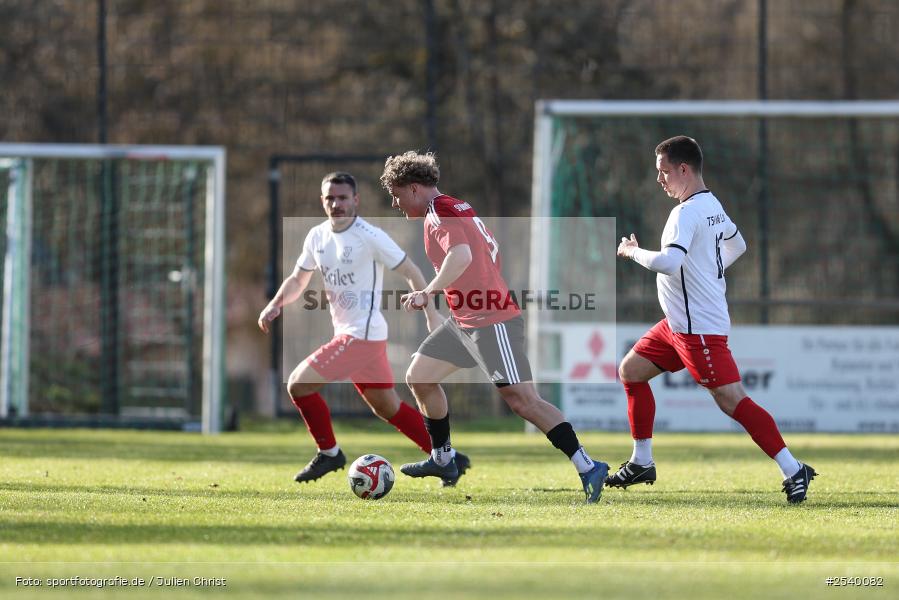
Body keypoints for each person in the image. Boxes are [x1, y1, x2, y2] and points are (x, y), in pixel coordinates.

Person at [380, 151, 610, 503]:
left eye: (396, 195)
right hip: (467, 320)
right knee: (419, 377)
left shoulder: (440, 211)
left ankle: (587, 465)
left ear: (413, 188)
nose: (396, 204)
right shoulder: (455, 207)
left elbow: (463, 256)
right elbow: (486, 252)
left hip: (493, 322)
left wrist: (428, 292)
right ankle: (444, 459)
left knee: (524, 401)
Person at [612, 135, 816, 503]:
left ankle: (792, 467)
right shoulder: (712, 205)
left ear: (683, 170)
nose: (660, 180)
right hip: (677, 325)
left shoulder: (685, 212)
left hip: (698, 330)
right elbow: (737, 245)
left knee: (730, 399)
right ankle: (642, 461)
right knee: (631, 371)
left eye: (664, 172)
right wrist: (707, 271)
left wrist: (632, 251)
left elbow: (670, 263)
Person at [258, 171, 470, 487]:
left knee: (299, 385)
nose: (336, 203)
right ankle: (449, 458)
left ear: (355, 200)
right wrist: (276, 303)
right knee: (388, 407)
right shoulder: (317, 236)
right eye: (330, 198)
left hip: (361, 336)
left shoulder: (368, 235)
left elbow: (412, 271)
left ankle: (329, 453)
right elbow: (297, 279)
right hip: (355, 335)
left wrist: (430, 314)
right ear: (322, 201)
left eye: (343, 197)